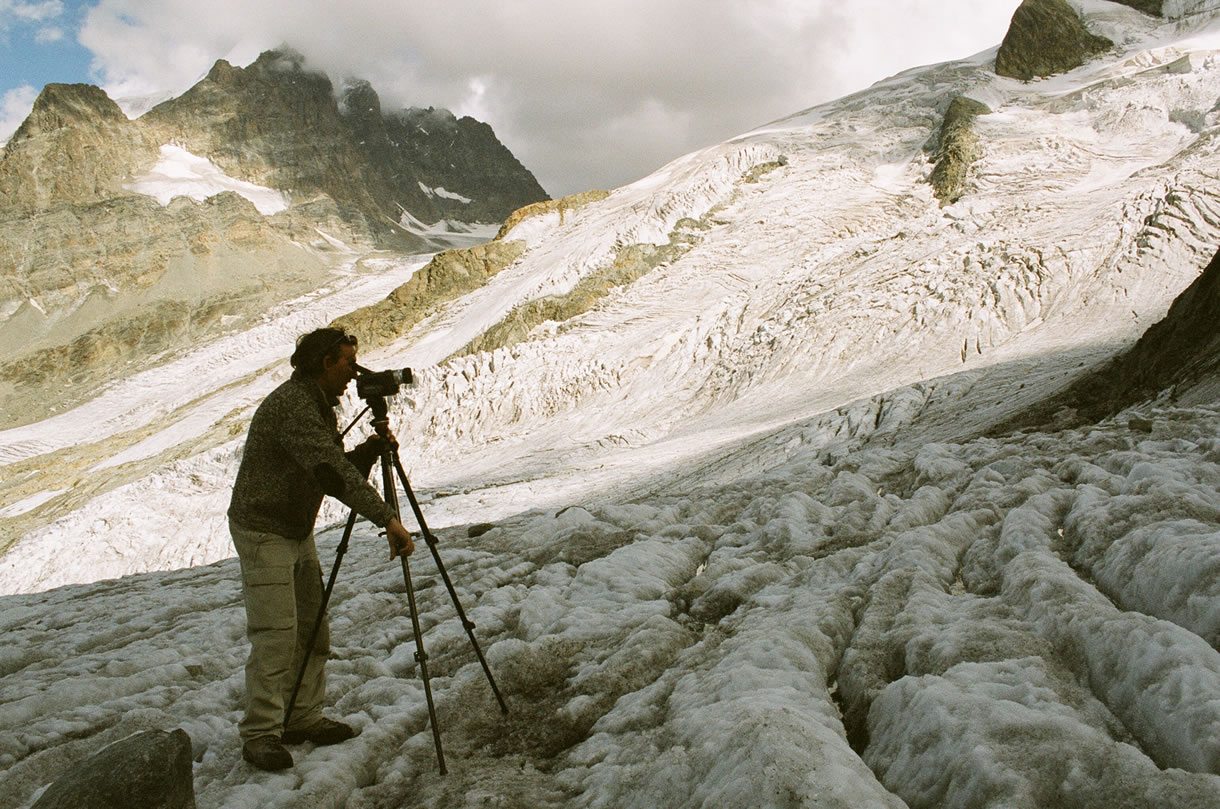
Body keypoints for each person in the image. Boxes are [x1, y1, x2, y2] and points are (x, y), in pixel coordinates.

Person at [227, 326, 415, 771]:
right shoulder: (294, 407)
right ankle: (260, 735)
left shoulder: (317, 403)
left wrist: (370, 448)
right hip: (265, 530)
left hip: (293, 529)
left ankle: (301, 718)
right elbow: (331, 473)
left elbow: (327, 470)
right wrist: (387, 517)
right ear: (325, 363)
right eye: (348, 363)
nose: (354, 373)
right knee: (276, 636)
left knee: (312, 630)